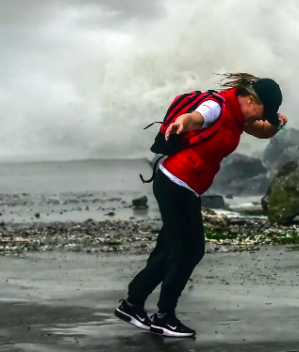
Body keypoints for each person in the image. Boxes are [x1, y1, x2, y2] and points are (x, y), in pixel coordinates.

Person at [115, 73, 287, 338]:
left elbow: (263, 132)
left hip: (183, 185)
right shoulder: (217, 107)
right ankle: (164, 316)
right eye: (265, 111)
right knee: (190, 250)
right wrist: (181, 122)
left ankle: (132, 304)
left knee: (170, 247)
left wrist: (277, 123)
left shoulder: (240, 116)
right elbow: (197, 117)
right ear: (252, 100)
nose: (262, 117)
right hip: (175, 183)